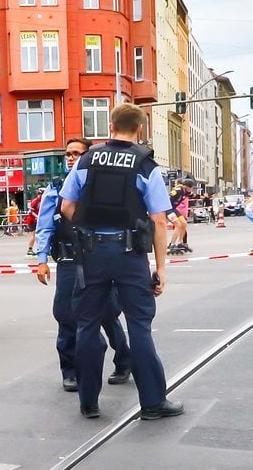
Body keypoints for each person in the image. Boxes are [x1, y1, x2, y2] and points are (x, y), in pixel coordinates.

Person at [59, 103, 182, 421]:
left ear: (110, 126)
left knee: (87, 325)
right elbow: (158, 221)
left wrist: (88, 229)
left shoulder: (86, 160)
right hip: (130, 255)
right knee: (139, 326)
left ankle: (88, 402)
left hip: (92, 253)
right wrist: (161, 267)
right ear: (139, 129)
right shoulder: (146, 165)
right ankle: (153, 403)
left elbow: (66, 206)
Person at [34, 138, 132, 393]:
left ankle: (124, 360)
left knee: (108, 313)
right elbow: (44, 226)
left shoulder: (98, 185)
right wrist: (41, 260)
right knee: (65, 314)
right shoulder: (55, 188)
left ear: (88, 157)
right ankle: (70, 371)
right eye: (67, 153)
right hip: (68, 258)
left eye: (76, 153)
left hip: (96, 257)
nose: (70, 157)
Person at [166, 179, 193, 254]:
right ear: (185, 186)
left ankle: (180, 242)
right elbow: (168, 198)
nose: (191, 189)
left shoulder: (187, 192)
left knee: (184, 223)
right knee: (178, 224)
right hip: (167, 208)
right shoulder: (177, 190)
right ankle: (172, 244)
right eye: (190, 187)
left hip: (174, 209)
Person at [26, 187, 46, 257]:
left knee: (39, 235)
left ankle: (39, 248)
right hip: (32, 220)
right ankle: (30, 250)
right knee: (34, 236)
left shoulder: (42, 201)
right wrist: (37, 216)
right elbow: (30, 211)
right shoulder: (36, 201)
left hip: (36, 220)